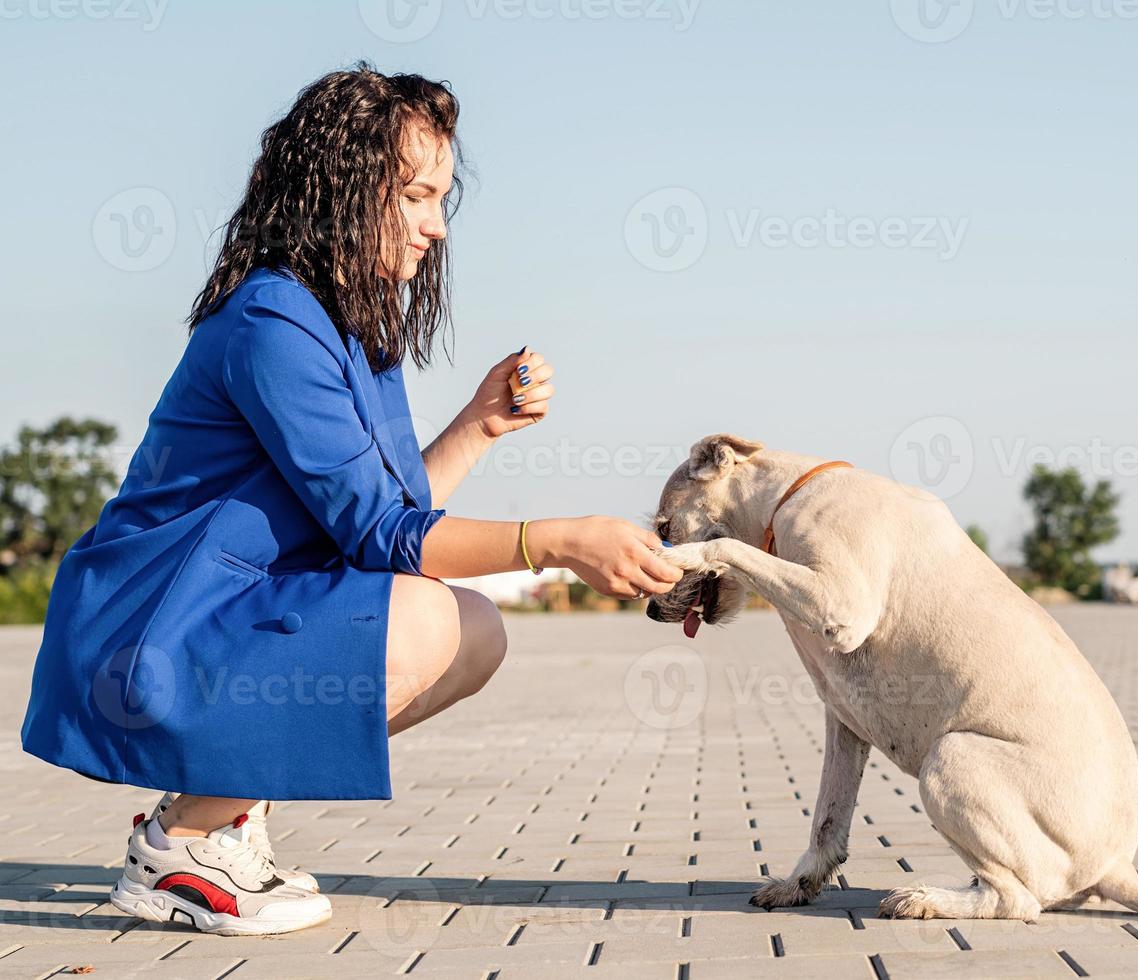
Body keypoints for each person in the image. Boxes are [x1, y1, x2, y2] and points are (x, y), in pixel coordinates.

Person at [19, 63, 683, 936]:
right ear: (340, 184)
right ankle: (183, 844)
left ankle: (221, 820)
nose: (435, 227)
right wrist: (559, 541)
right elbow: (387, 537)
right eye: (415, 195)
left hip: (221, 617)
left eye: (442, 199)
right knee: (429, 620)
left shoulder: (351, 328)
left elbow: (390, 519)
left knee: (473, 630)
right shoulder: (272, 323)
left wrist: (478, 428)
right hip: (151, 627)